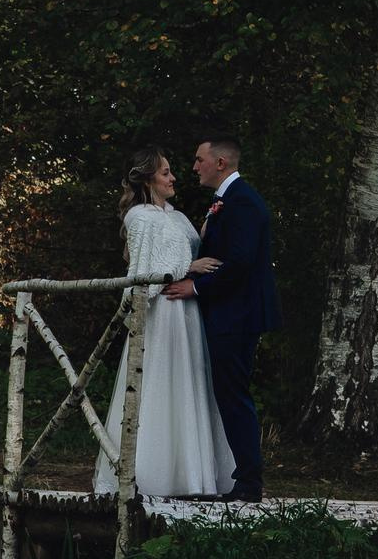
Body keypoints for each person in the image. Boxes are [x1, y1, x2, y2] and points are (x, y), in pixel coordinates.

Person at [92, 147, 234, 499]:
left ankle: (192, 475)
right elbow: (142, 274)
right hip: (162, 312)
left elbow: (194, 249)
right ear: (148, 177)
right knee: (158, 382)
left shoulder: (180, 217)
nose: (173, 178)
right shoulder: (139, 217)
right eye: (166, 172)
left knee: (189, 382)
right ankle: (151, 474)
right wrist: (189, 269)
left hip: (186, 313)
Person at [161, 135, 282, 501]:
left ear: (221, 163)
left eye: (199, 160)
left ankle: (248, 482)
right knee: (229, 393)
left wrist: (195, 289)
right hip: (231, 312)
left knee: (233, 394)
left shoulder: (241, 201)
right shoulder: (227, 201)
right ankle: (243, 477)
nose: (194, 167)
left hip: (237, 314)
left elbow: (240, 263)